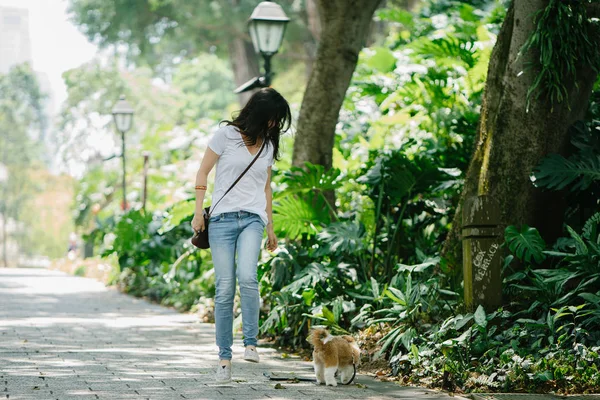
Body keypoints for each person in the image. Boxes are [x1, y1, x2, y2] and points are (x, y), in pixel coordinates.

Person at [191, 88, 291, 383]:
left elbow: (266, 187)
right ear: (260, 114)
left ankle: (251, 343)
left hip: (253, 219)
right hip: (221, 219)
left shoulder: (268, 146)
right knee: (224, 288)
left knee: (248, 276)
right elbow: (202, 172)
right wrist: (199, 211)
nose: (275, 125)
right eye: (273, 118)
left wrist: (270, 225)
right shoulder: (225, 136)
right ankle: (224, 358)